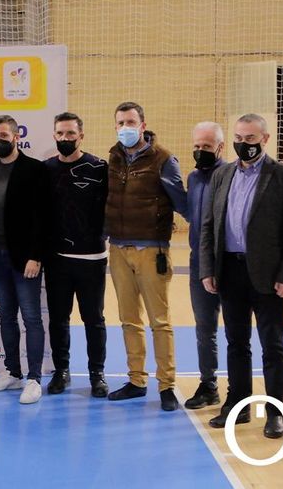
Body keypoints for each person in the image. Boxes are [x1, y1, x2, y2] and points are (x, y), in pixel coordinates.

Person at [200, 113, 283, 439]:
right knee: (236, 342)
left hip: (269, 275)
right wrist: (207, 268)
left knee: (272, 345)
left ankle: (276, 412)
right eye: (239, 138)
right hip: (229, 270)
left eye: (250, 139)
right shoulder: (223, 174)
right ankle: (238, 404)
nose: (243, 144)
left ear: (265, 139)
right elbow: (208, 226)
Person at [105, 101, 188, 411]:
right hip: (118, 249)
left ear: (142, 125)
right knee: (128, 320)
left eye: (130, 122)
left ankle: (167, 385)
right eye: (120, 122)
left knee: (160, 321)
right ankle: (137, 381)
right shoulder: (112, 157)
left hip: (152, 250)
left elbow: (183, 202)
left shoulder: (164, 159)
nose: (125, 127)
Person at [0, 115, 48, 404]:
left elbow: (43, 218)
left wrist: (36, 256)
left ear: (16, 137)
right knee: (6, 316)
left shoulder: (34, 170)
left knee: (31, 317)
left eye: (3, 136)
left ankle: (34, 378)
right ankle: (12, 371)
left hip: (25, 259)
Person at [43, 112, 109, 398]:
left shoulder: (98, 167)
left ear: (81, 136)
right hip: (57, 259)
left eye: (71, 134)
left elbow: (111, 207)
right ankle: (62, 371)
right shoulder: (45, 170)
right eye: (60, 133)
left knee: (94, 319)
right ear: (54, 135)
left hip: (92, 259)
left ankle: (97, 374)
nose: (65, 138)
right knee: (59, 319)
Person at [184, 122, 226, 410]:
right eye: (197, 146)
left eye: (207, 147)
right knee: (204, 328)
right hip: (199, 263)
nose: (200, 151)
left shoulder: (231, 175)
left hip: (230, 264)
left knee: (237, 333)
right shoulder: (193, 178)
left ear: (220, 148)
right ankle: (208, 384)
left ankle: (240, 390)